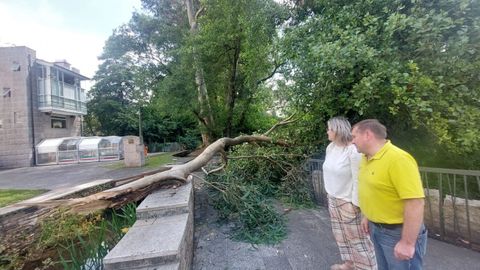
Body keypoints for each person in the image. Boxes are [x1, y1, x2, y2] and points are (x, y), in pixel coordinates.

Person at [351, 119, 427, 270]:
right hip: (376, 229)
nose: (352, 141)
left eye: (354, 136)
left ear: (367, 135)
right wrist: (368, 216)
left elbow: (415, 203)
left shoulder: (398, 159)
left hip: (397, 233)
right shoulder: (366, 158)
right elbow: (375, 191)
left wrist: (407, 243)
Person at [323, 117, 377, 270]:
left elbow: (358, 180)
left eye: (329, 129)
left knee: (358, 239)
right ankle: (349, 264)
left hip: (348, 201)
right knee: (340, 236)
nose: (327, 131)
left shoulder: (353, 151)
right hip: (332, 198)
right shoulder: (330, 148)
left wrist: (356, 205)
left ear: (337, 130)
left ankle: (367, 267)